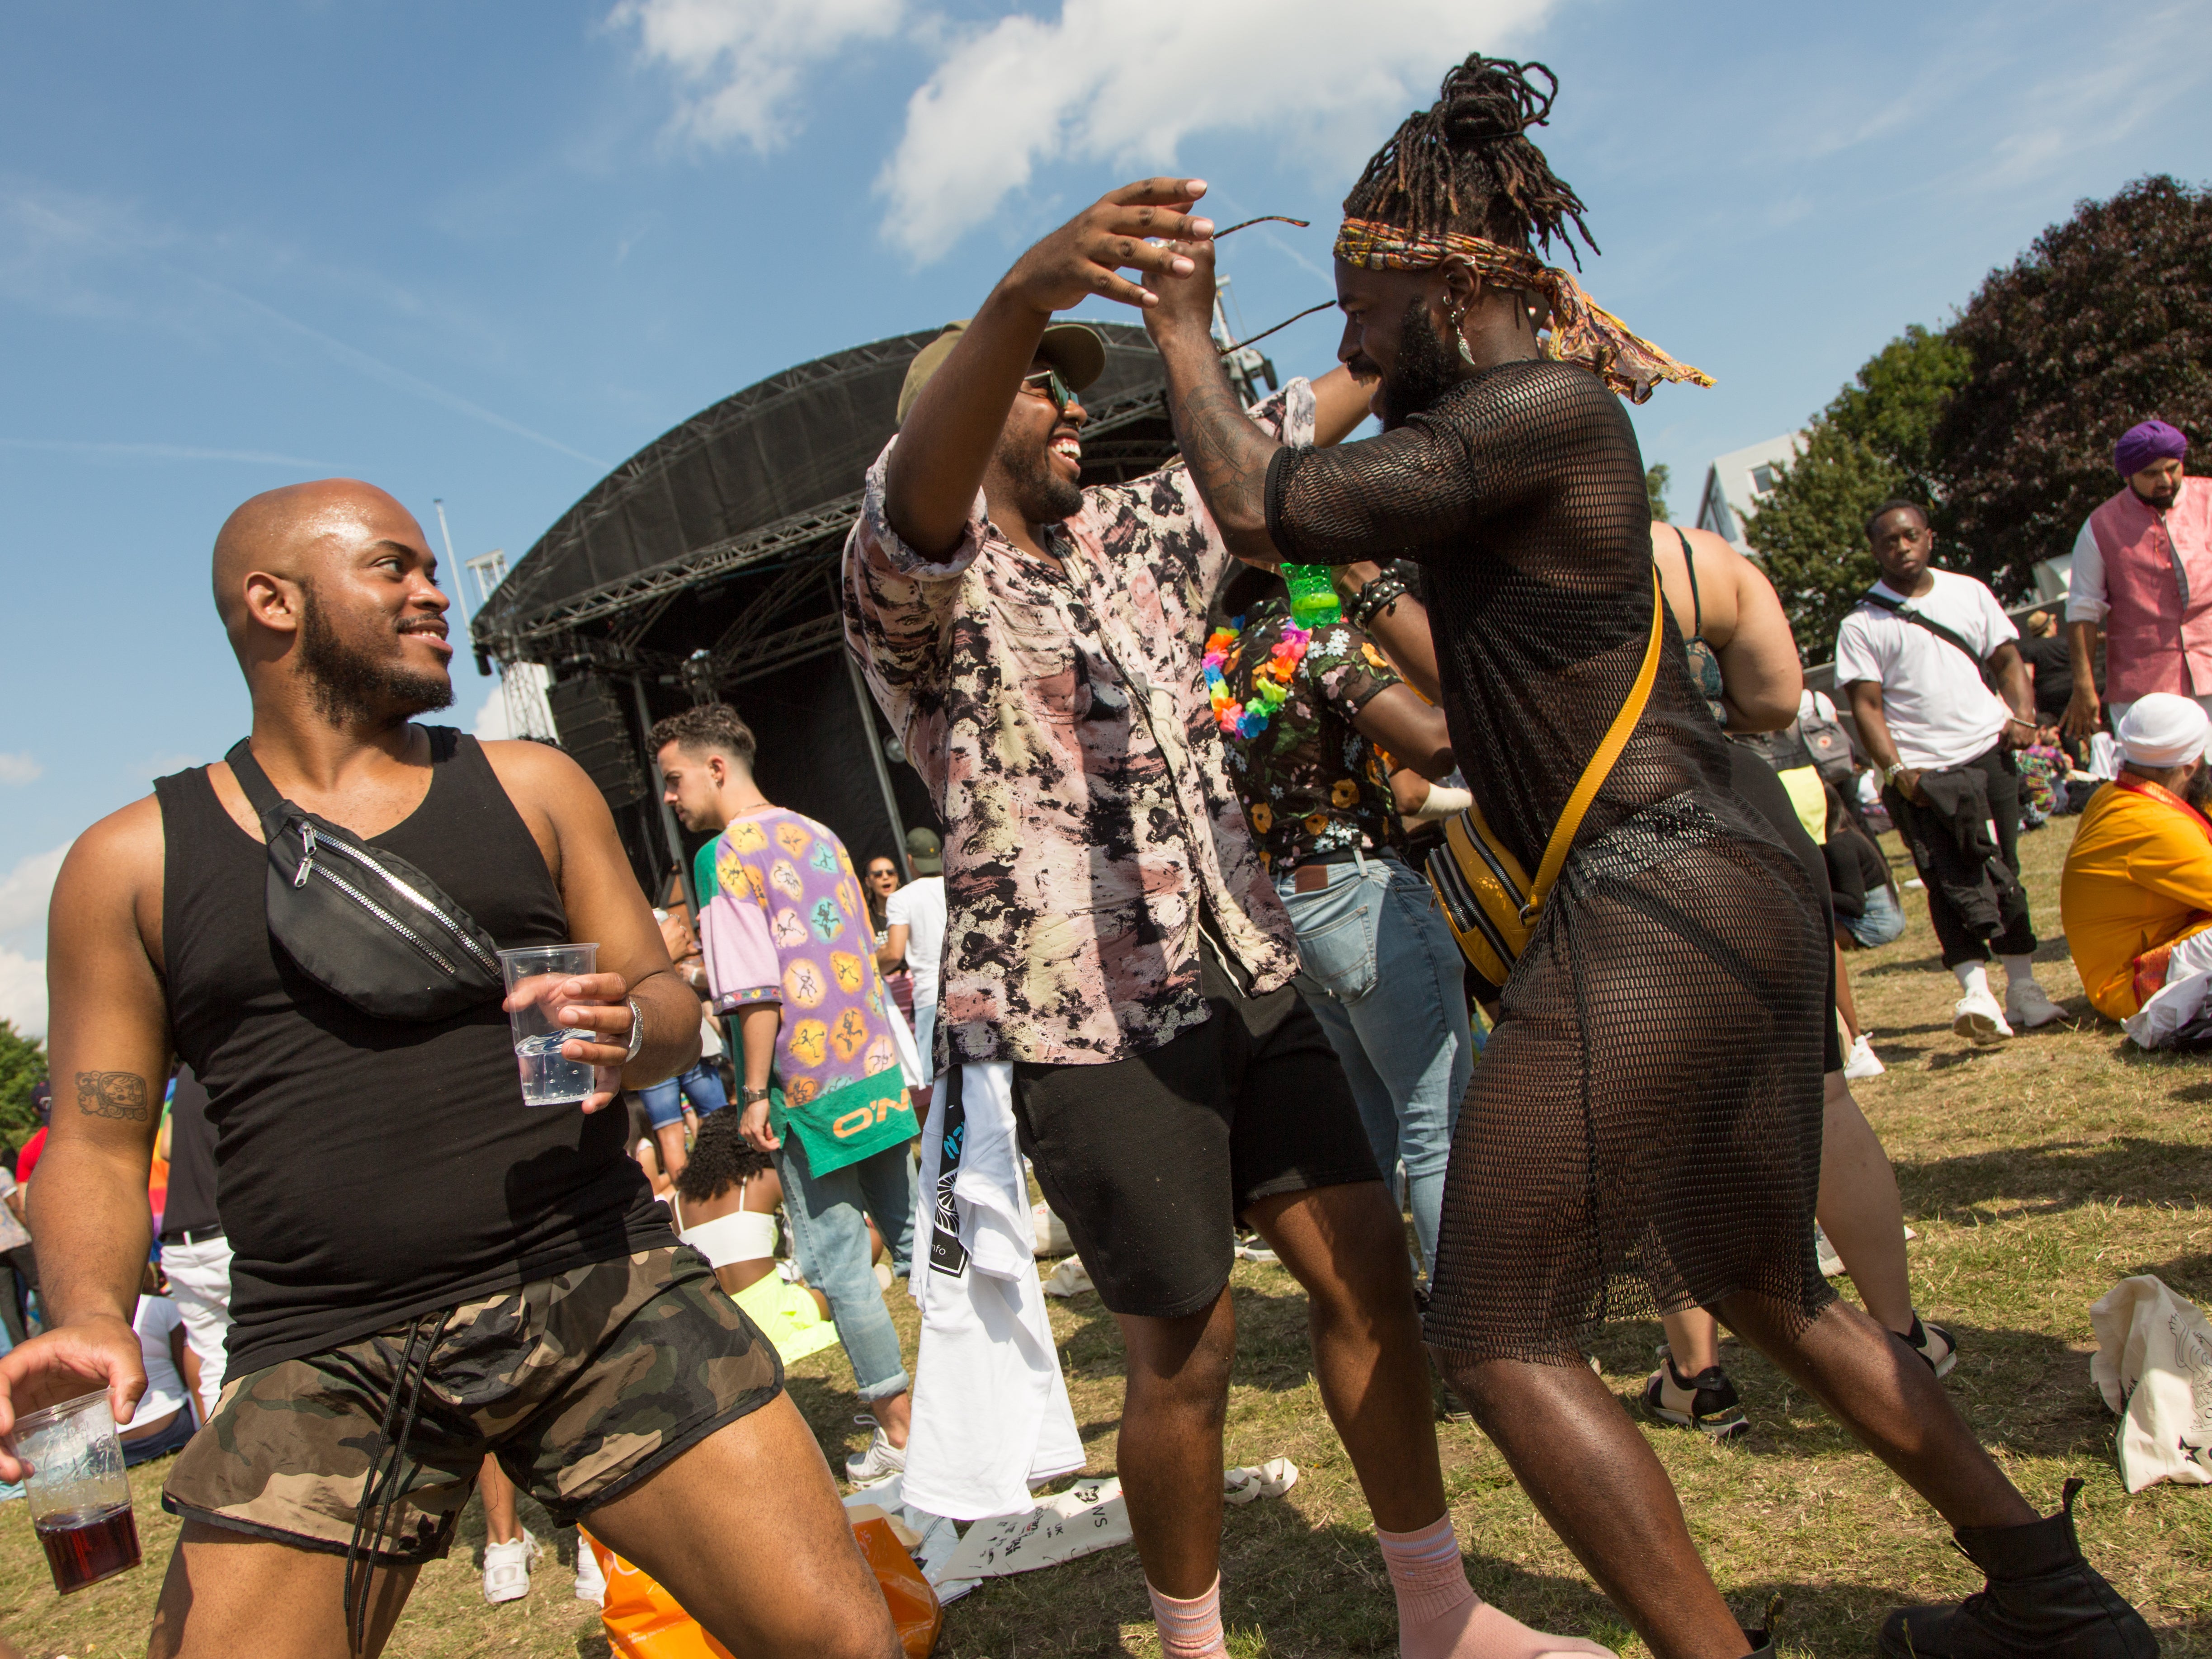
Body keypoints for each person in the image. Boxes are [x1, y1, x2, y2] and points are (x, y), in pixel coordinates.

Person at [1140, 52, 2153, 1659]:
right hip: (1708, 874)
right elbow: (1474, 716)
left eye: (1355, 303)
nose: (1338, 338)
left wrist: (1181, 334)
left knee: (1495, 1334)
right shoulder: (1503, 442)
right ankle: (2052, 1601)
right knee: (1764, 1288)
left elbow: (1261, 507)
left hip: (1656, 885)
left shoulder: (1534, 405)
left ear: (1444, 275)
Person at [3, 479, 902, 1659]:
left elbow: (674, 1007)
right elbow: (100, 1141)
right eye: (394, 567)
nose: (434, 591)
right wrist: (85, 1312)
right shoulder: (133, 863)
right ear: (272, 602)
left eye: (430, 565)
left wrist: (629, 1031)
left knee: (841, 1642)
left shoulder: (533, 788)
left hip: (594, 1284)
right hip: (322, 1348)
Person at [843, 210, 1569, 1659]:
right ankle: (1193, 1645)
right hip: (1082, 1017)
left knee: (1367, 1271)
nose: (1070, 409)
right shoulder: (908, 589)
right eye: (1040, 384)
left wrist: (1416, 294)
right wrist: (1021, 293)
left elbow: (1304, 416)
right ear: (970, 406)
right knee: (1187, 1345)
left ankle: (1439, 1612)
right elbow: (919, 487)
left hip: (1246, 965)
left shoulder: (1131, 531)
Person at [651, 702, 922, 1486]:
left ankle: (899, 1428)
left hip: (804, 1084)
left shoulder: (722, 857)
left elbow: (752, 993)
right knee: (910, 1241)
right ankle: (960, 1396)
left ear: (715, 767)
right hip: (871, 1065)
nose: (670, 799)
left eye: (673, 781)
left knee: (838, 1259)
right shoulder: (821, 834)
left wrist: (756, 1092)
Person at [1207, 561, 1472, 1281]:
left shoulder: (1226, 661)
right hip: (1359, 894)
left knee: (1370, 1136)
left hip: (1292, 912)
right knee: (1441, 1131)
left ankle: (1393, 1323)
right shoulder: (1321, 638)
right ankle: (1472, 1335)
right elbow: (1434, 744)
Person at [1837, 499, 2067, 1043]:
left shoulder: (1969, 592)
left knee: (2004, 868)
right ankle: (1975, 991)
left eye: (1911, 536)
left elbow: (2008, 660)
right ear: (1875, 550)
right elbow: (1866, 707)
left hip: (1987, 752)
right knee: (1947, 880)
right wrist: (1897, 771)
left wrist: (2022, 718)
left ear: (1929, 538)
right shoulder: (1860, 624)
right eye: (1889, 541)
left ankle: (2024, 989)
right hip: (1923, 775)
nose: (1902, 548)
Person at [2060, 693, 2212, 1047]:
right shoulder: (2149, 825)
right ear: (2191, 765)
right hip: (2130, 984)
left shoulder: (2120, 794)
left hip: (2151, 954)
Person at [2064, 419, 2210, 738]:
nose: (2165, 481)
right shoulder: (2101, 527)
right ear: (2127, 475)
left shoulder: (2209, 499)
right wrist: (2084, 687)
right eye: (2150, 474)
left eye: (2172, 468)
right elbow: (2082, 611)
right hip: (2146, 687)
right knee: (2158, 784)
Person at [669, 1108, 841, 1364]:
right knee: (869, 1243)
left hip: (720, 1327)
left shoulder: (676, 1205)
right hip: (772, 1317)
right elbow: (826, 1222)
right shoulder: (763, 1181)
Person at [155, 1065, 232, 1424]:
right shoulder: (228, 1058)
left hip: (181, 1246)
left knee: (215, 1362)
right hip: (224, 1234)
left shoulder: (188, 1072)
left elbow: (168, 1146)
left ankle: (223, 1463)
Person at [634, 903, 731, 1180]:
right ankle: (724, 1193)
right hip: (674, 1047)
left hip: (661, 1048)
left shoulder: (645, 967)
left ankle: (705, 1200)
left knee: (684, 1131)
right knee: (710, 1123)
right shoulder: (672, 966)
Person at [880, 836, 947, 1084]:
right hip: (970, 992)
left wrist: (864, 965)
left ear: (910, 860)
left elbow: (893, 953)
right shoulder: (956, 886)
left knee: (940, 1083)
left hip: (931, 997)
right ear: (939, 856)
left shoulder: (901, 898)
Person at [122, 1261, 199, 1468]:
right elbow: (186, 1374)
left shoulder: (85, 1324)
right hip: (168, 1430)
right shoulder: (163, 1307)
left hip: (120, 1448)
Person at [1825, 785, 1906, 950]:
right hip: (1887, 921)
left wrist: (1813, 890)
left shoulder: (1839, 846)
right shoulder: (1848, 834)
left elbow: (1855, 905)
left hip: (1873, 926)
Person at [863, 856, 916, 1024]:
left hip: (914, 985)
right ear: (868, 882)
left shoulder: (911, 907)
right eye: (878, 874)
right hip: (885, 990)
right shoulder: (866, 918)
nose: (885, 877)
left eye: (890, 873)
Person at [2017, 611, 2078, 734]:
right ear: (2049, 626)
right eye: (2054, 622)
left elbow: (2029, 677)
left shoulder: (2029, 650)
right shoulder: (2065, 643)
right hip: (2073, 689)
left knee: (2064, 730)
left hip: (2049, 696)